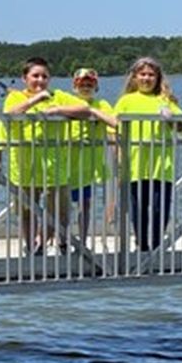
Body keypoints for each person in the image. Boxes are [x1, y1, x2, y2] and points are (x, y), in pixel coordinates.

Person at [3, 57, 107, 255]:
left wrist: (58, 110)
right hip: (25, 166)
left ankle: (42, 241)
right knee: (27, 211)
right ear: (25, 78)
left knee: (59, 212)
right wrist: (35, 99)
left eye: (44, 76)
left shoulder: (57, 95)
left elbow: (84, 109)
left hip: (55, 166)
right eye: (35, 76)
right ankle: (32, 247)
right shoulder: (15, 97)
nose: (40, 80)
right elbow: (10, 114)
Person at [114, 56, 182, 252]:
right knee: (138, 208)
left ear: (158, 78)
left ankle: (157, 244)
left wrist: (170, 118)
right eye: (142, 74)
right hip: (135, 164)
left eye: (151, 75)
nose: (147, 78)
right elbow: (115, 128)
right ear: (135, 77)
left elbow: (181, 127)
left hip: (161, 165)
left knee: (160, 208)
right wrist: (119, 158)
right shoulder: (126, 101)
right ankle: (142, 244)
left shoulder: (165, 100)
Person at [66, 68, 118, 247]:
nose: (86, 87)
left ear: (96, 86)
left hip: (88, 166)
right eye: (82, 84)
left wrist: (94, 113)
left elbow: (115, 123)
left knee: (84, 205)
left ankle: (82, 241)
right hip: (65, 164)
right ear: (74, 86)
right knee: (60, 206)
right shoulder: (66, 101)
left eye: (90, 84)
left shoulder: (102, 104)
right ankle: (61, 240)